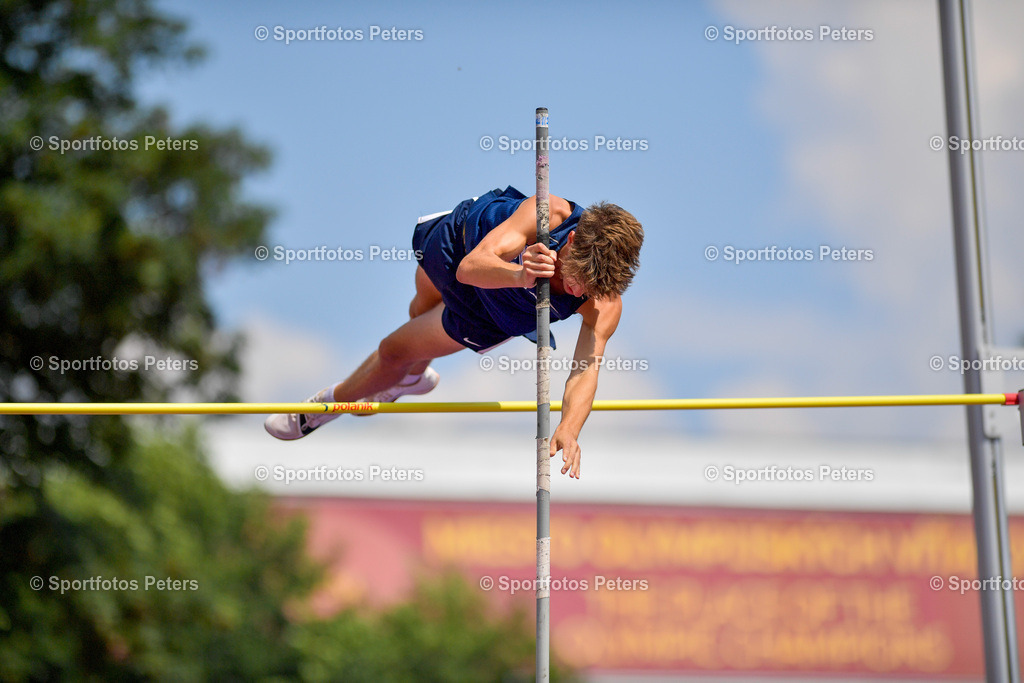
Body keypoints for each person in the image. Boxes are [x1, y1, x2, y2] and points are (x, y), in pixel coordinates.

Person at [265, 186, 643, 479]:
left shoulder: (604, 302)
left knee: (393, 350)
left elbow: (586, 368)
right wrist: (519, 274)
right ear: (572, 240)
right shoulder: (549, 214)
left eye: (589, 289)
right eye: (577, 277)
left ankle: (324, 407)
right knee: (419, 308)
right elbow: (470, 268)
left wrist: (569, 428)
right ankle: (412, 378)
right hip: (461, 246)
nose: (577, 292)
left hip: (487, 315)